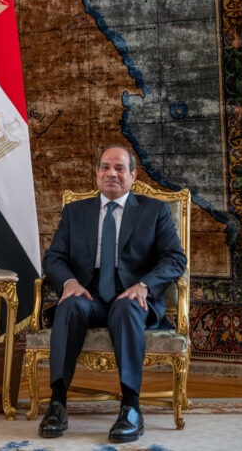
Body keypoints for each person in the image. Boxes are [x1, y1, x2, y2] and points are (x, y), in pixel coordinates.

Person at [39, 145, 186, 443]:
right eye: (105, 167)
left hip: (131, 295)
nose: (111, 174)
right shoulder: (75, 212)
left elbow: (175, 259)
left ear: (133, 175)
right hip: (89, 295)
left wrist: (144, 285)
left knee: (127, 307)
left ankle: (131, 408)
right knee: (68, 306)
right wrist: (69, 282)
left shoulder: (154, 211)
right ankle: (57, 404)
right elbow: (54, 258)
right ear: (96, 174)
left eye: (119, 168)